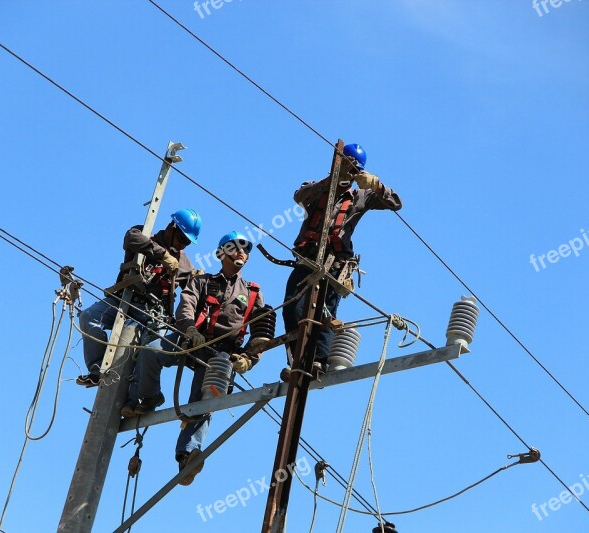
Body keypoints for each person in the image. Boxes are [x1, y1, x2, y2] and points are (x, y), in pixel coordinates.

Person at [129, 231, 267, 485]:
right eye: (236, 247)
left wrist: (248, 358)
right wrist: (189, 329)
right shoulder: (202, 281)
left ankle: (187, 455)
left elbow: (262, 333)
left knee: (205, 401)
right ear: (222, 252)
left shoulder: (253, 293)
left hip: (222, 353)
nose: (242, 253)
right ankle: (148, 397)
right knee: (151, 351)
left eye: (246, 250)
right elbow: (187, 304)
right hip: (192, 340)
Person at [282, 143, 402, 376]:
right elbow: (299, 196)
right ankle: (296, 359)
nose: (348, 170)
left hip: (335, 264)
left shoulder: (360, 197)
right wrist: (332, 181)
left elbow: (396, 203)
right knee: (291, 308)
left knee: (325, 314)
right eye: (344, 164)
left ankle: (318, 362)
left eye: (352, 167)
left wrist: (376, 185)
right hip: (307, 260)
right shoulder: (316, 189)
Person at [76, 209, 202, 387]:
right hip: (124, 301)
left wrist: (198, 279)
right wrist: (162, 255)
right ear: (171, 228)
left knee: (147, 355)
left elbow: (192, 292)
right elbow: (131, 238)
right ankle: (98, 369)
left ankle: (138, 400)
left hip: (153, 315)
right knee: (89, 317)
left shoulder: (183, 262)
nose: (183, 246)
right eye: (182, 239)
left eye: (187, 243)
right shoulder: (145, 235)